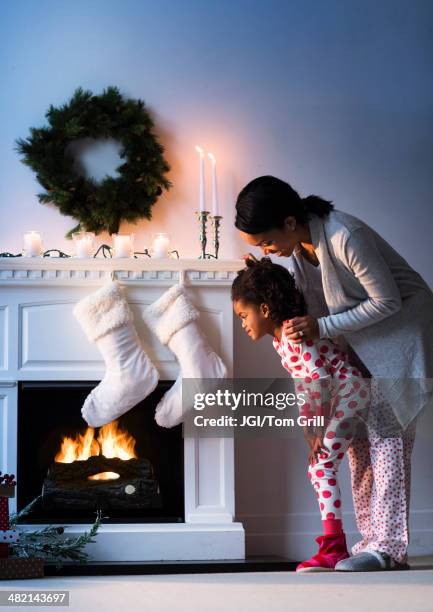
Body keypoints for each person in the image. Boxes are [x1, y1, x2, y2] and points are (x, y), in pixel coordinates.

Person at [234, 175, 433, 571]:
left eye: (266, 242)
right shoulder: (300, 249)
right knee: (360, 448)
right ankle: (369, 544)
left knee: (387, 444)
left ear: (290, 221)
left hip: (399, 339)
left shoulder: (345, 236)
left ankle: (389, 548)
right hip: (357, 346)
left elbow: (387, 301)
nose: (269, 250)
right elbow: (313, 306)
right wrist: (263, 279)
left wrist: (323, 329)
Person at [232, 257, 370, 572]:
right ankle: (340, 545)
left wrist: (314, 427)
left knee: (321, 465)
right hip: (343, 398)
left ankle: (334, 549)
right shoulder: (281, 339)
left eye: (244, 315)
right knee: (327, 467)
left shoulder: (294, 334)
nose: (242, 323)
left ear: (264, 310)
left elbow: (318, 377)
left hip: (350, 394)